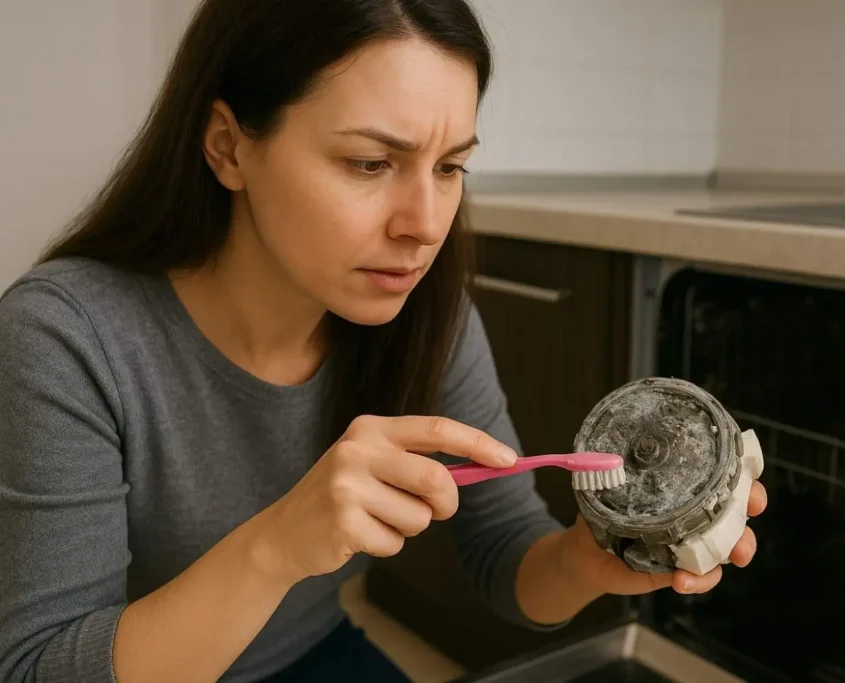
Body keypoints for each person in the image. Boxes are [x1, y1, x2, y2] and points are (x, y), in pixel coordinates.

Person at [0, 1, 767, 682]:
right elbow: (41, 666)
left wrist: (589, 559)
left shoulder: (429, 318)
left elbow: (506, 554)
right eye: (370, 163)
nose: (425, 225)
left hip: (317, 655)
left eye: (451, 166)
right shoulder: (65, 340)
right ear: (228, 147)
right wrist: (277, 546)